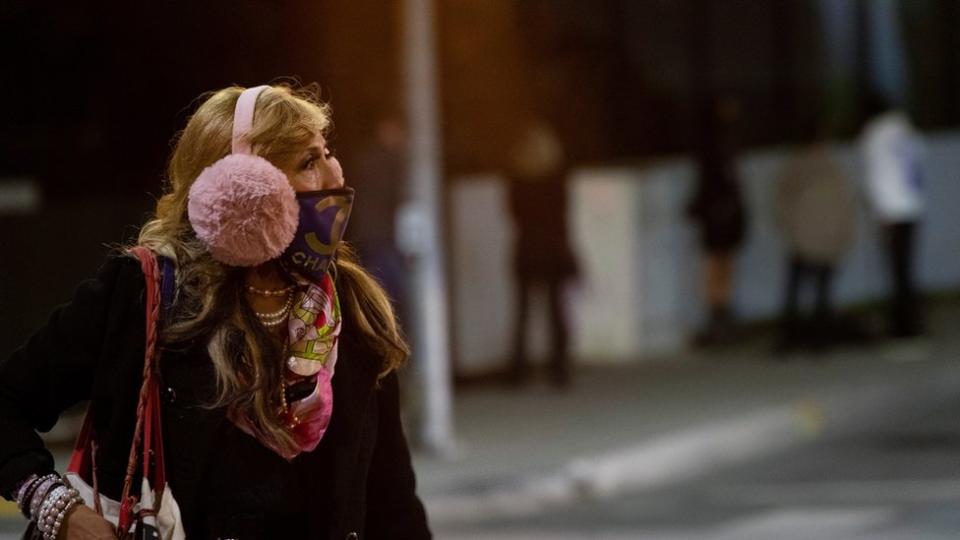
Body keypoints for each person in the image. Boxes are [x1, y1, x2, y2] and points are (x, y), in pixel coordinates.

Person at [0, 85, 431, 539]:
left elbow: (391, 498)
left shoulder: (352, 307)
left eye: (328, 153)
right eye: (308, 162)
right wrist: (59, 509)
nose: (334, 177)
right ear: (241, 189)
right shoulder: (144, 293)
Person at [505, 118, 579, 388]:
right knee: (554, 310)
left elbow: (512, 213)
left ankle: (517, 371)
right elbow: (563, 216)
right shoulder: (557, 176)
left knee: (522, 311)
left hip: (526, 247)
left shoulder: (516, 177)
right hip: (552, 247)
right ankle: (559, 369)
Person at [775, 121, 856, 352]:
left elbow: (781, 205)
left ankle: (790, 337)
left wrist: (791, 231)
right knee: (822, 288)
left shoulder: (793, 166)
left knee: (795, 287)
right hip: (828, 240)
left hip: (802, 240)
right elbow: (843, 204)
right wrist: (844, 235)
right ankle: (820, 339)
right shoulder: (832, 166)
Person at [860, 97, 926, 338]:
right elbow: (919, 163)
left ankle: (904, 326)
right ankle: (912, 322)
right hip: (913, 206)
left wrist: (879, 208)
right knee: (906, 269)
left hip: (891, 210)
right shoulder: (906, 128)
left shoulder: (875, 132)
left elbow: (875, 172)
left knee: (897, 270)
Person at [686, 95, 748, 345]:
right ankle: (717, 320)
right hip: (717, 215)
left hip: (724, 215)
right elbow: (711, 183)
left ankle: (721, 318)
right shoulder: (714, 147)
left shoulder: (725, 145)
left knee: (722, 266)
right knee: (716, 266)